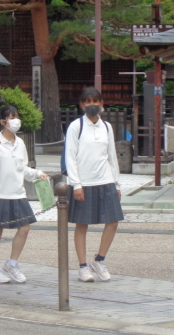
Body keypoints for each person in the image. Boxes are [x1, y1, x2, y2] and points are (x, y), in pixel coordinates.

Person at [0, 106, 47, 284]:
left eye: (17, 116)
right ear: (2, 122)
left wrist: (37, 174)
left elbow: (22, 169)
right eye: (11, 117)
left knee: (24, 227)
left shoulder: (20, 142)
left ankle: (12, 263)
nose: (16, 120)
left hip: (17, 193)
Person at [64, 87, 124, 282]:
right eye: (88, 102)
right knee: (82, 225)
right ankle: (83, 266)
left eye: (95, 101)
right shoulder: (76, 126)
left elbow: (112, 156)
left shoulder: (107, 126)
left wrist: (117, 183)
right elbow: (70, 157)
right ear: (82, 105)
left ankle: (99, 260)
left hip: (106, 180)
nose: (92, 105)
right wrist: (76, 184)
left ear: (101, 104)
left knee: (113, 221)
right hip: (84, 182)